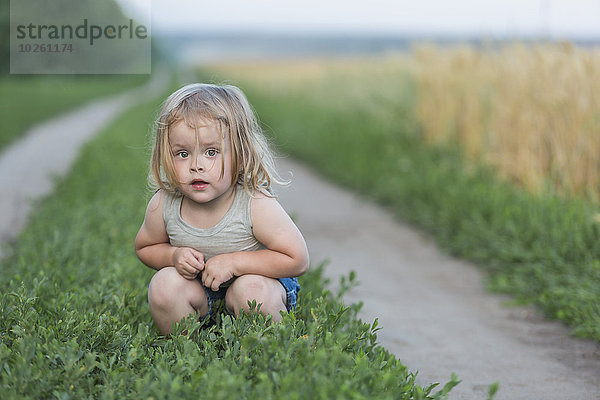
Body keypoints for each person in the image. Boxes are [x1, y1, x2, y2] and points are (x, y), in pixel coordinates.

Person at [134, 83, 309, 335]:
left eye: (212, 151)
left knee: (250, 290)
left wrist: (235, 263)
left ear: (240, 152)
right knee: (164, 285)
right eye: (182, 154)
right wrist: (173, 256)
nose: (197, 165)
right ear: (166, 156)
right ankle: (189, 353)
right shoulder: (164, 203)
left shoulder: (254, 203)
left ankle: (263, 351)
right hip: (199, 291)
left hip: (255, 284)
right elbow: (145, 247)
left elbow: (297, 259)